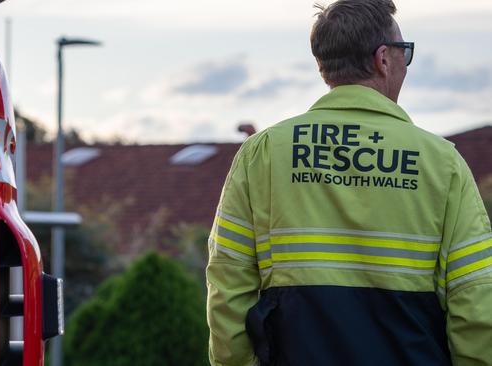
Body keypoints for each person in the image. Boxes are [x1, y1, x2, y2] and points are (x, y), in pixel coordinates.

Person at [206, 0, 492, 365]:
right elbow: (476, 298)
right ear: (383, 59)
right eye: (405, 51)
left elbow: (228, 284)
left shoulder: (263, 154)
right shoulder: (441, 163)